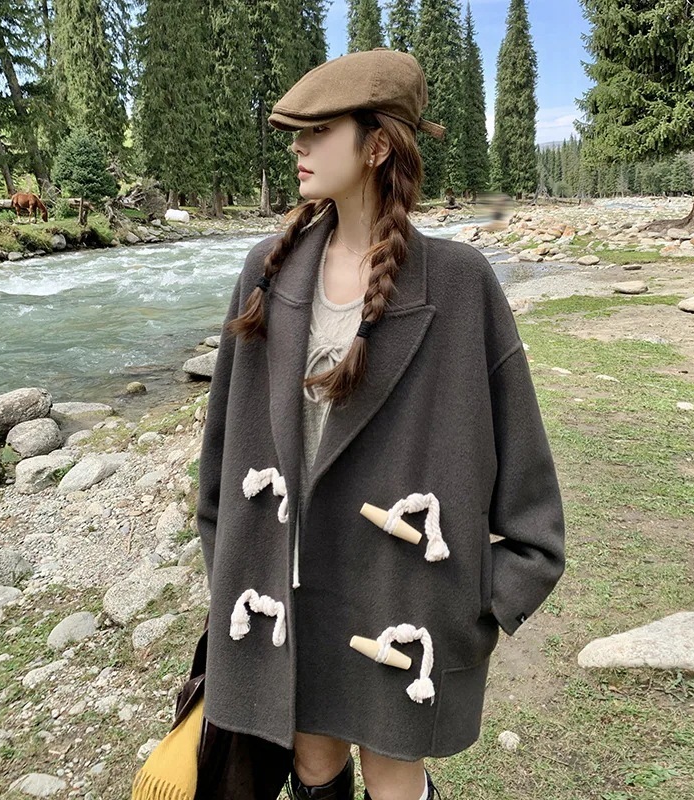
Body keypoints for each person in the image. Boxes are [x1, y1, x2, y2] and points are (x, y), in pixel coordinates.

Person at [195, 47, 565, 800]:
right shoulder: (266, 270)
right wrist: (228, 561)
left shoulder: (459, 283)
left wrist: (484, 602)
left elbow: (526, 475)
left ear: (376, 146)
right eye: (297, 132)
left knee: (395, 777)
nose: (298, 147)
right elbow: (224, 447)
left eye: (319, 130)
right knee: (313, 765)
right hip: (288, 596)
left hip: (404, 602)